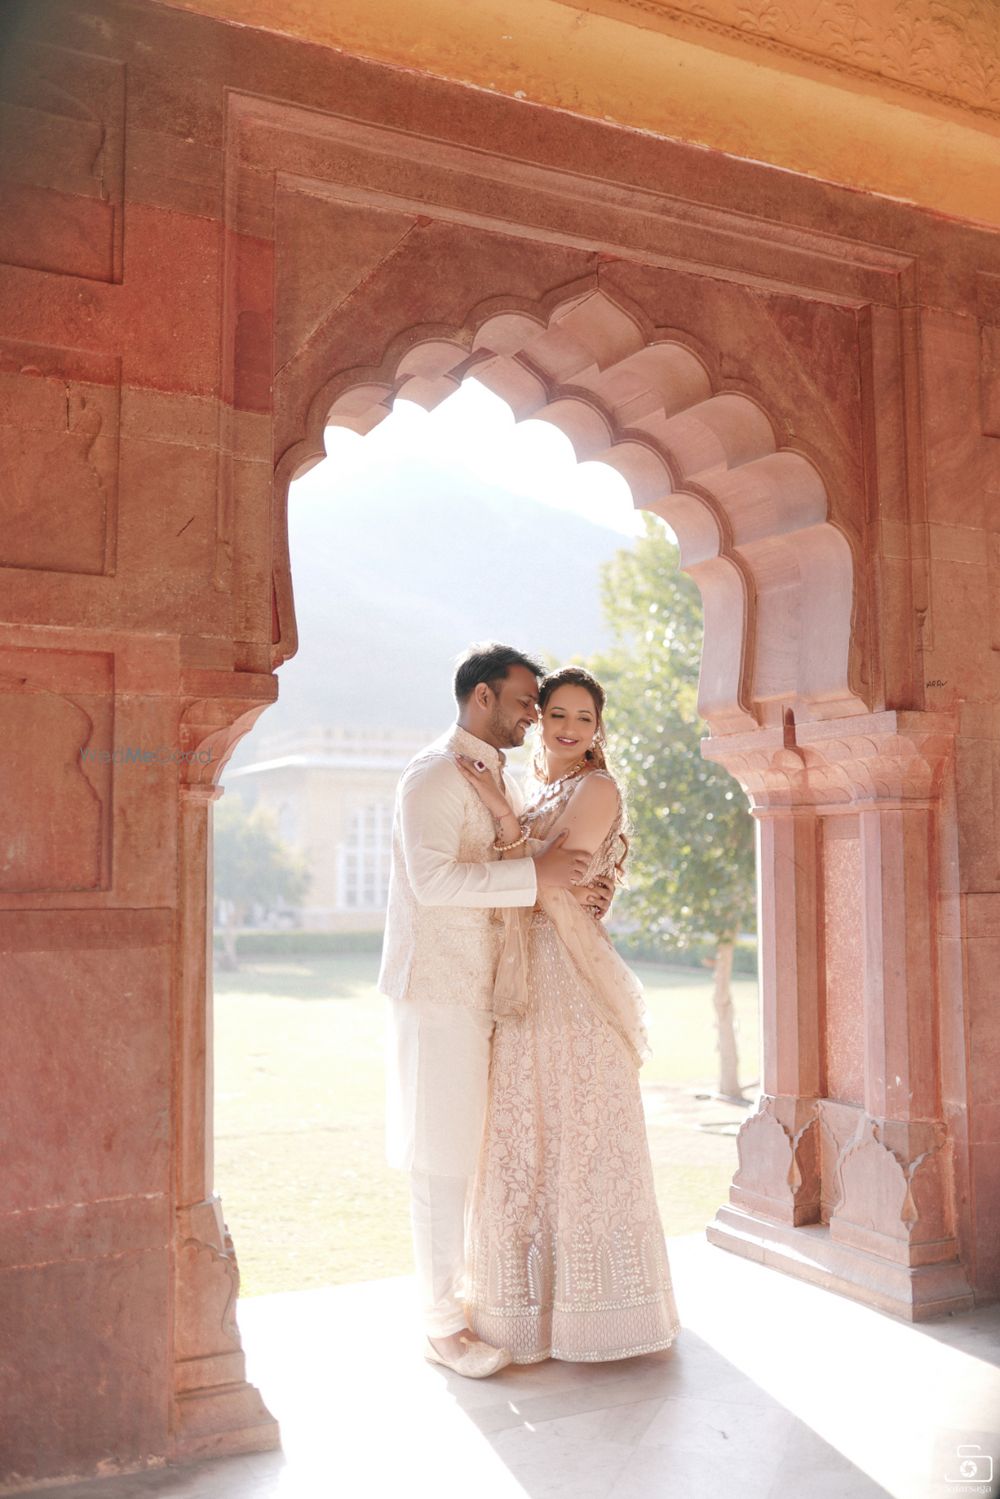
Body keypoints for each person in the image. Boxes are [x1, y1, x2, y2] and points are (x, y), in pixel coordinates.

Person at [379, 644, 614, 1378]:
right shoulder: (432, 776)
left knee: (471, 1154)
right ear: (483, 697)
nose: (531, 714)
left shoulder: (491, 776)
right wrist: (534, 874)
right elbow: (433, 879)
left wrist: (582, 883)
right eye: (523, 702)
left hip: (487, 993)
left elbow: (553, 857)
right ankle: (441, 1324)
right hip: (438, 989)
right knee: (440, 1157)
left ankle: (464, 1301)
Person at [456, 665, 681, 1364]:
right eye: (558, 713)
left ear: (598, 729)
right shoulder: (541, 790)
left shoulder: (596, 788)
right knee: (526, 1135)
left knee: (581, 1135)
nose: (570, 728)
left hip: (574, 980)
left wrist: (498, 810)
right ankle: (527, 1313)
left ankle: (601, 1315)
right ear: (539, 717)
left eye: (585, 718)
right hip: (527, 981)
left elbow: (555, 883)